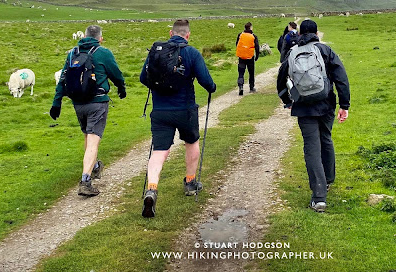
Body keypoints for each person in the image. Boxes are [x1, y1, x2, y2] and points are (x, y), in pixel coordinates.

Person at [139, 19, 216, 218]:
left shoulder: (156, 52)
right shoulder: (191, 53)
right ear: (187, 35)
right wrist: (211, 88)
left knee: (159, 151)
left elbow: (142, 78)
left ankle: (152, 189)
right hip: (185, 110)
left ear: (171, 33)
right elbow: (207, 82)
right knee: (191, 142)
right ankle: (190, 183)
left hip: (160, 111)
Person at [276, 19, 350, 213]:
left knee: (311, 147)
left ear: (300, 34)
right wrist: (344, 105)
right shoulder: (326, 51)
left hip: (303, 107)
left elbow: (281, 80)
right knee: (326, 138)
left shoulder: (293, 53)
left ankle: (318, 198)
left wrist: (287, 101)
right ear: (316, 33)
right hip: (326, 105)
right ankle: (327, 180)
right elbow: (341, 77)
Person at [50, 25, 127, 197]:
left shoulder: (73, 53)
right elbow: (116, 73)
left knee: (87, 136)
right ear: (100, 38)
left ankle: (95, 167)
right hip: (97, 103)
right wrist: (121, 88)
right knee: (93, 141)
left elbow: (63, 77)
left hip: (78, 103)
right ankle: (85, 181)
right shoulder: (103, 52)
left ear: (84, 36)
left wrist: (57, 103)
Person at [235, 22, 260, 95]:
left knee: (241, 73)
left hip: (241, 57)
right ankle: (251, 87)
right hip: (250, 57)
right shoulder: (253, 36)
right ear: (251, 28)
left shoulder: (240, 35)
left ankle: (241, 86)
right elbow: (257, 47)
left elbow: (237, 44)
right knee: (251, 72)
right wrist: (257, 55)